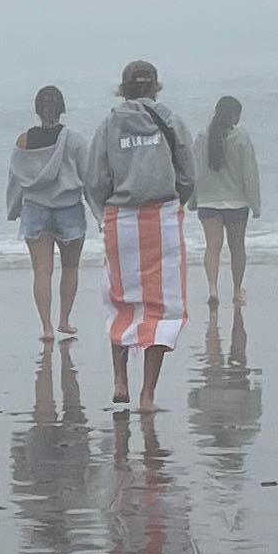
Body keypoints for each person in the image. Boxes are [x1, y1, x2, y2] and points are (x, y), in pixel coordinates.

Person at [80, 57, 196, 415]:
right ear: (156, 86)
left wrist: (105, 215)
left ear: (123, 88)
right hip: (162, 218)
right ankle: (147, 394)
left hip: (122, 219)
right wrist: (176, 201)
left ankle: (120, 380)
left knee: (121, 301)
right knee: (163, 308)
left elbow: (94, 180)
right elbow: (188, 175)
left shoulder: (109, 124)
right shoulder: (171, 120)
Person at [5, 83, 85, 335]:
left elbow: (15, 178)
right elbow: (90, 176)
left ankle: (47, 327)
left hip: (35, 210)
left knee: (42, 271)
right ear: (62, 108)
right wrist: (99, 209)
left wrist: (13, 208)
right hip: (69, 209)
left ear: (37, 109)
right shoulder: (74, 139)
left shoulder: (24, 140)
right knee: (70, 268)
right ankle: (64, 320)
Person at [198, 93, 262, 313]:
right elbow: (249, 173)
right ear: (234, 115)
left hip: (208, 202)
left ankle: (213, 288)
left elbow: (196, 171)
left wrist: (193, 201)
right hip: (236, 203)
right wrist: (255, 204)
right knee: (237, 248)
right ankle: (236, 290)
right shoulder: (241, 137)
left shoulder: (201, 137)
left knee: (212, 247)